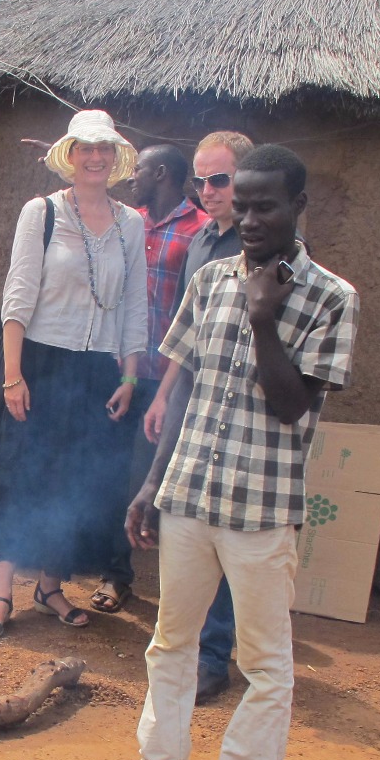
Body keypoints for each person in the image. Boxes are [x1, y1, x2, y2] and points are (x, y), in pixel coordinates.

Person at [99, 145, 359, 760]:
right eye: (237, 204)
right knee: (171, 641)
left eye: (263, 205)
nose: (246, 217)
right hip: (189, 493)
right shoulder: (211, 279)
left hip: (261, 511)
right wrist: (153, 483)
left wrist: (266, 319)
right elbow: (181, 384)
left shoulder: (332, 299)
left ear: (298, 207)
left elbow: (290, 409)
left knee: (264, 661)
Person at [0, 109, 149, 639]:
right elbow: (18, 295)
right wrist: (13, 374)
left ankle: (49, 588)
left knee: (71, 480)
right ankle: (2, 592)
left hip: (97, 370)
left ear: (116, 159)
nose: (95, 157)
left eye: (104, 149)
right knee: (19, 476)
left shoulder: (130, 223)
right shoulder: (41, 213)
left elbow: (134, 305)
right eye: (85, 148)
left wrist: (130, 375)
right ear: (69, 156)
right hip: (37, 363)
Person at [143, 130, 256, 701]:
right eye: (201, 180)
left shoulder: (260, 247)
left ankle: (215, 656)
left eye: (221, 180)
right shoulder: (200, 244)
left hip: (243, 419)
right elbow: (184, 338)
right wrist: (164, 393)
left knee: (228, 533)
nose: (208, 192)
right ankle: (193, 652)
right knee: (189, 531)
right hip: (194, 403)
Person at [91, 144, 209, 615]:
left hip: (171, 381)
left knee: (148, 478)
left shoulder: (200, 232)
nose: (131, 177)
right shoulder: (128, 222)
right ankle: (115, 575)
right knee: (113, 476)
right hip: (122, 372)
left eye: (138, 169)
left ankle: (157, 587)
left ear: (160, 173)